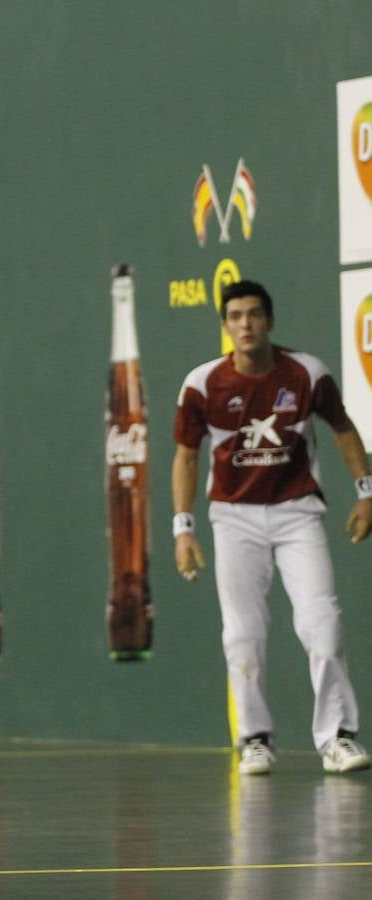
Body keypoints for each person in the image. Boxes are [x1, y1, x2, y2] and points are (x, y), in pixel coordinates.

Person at [172, 280, 372, 776]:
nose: (245, 324)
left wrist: (367, 491)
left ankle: (337, 737)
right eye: (235, 316)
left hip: (297, 512)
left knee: (321, 623)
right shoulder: (202, 384)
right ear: (224, 325)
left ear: (270, 321)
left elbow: (343, 428)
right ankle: (255, 739)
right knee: (242, 634)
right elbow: (185, 456)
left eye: (254, 314)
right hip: (233, 519)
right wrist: (183, 527)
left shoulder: (307, 374)